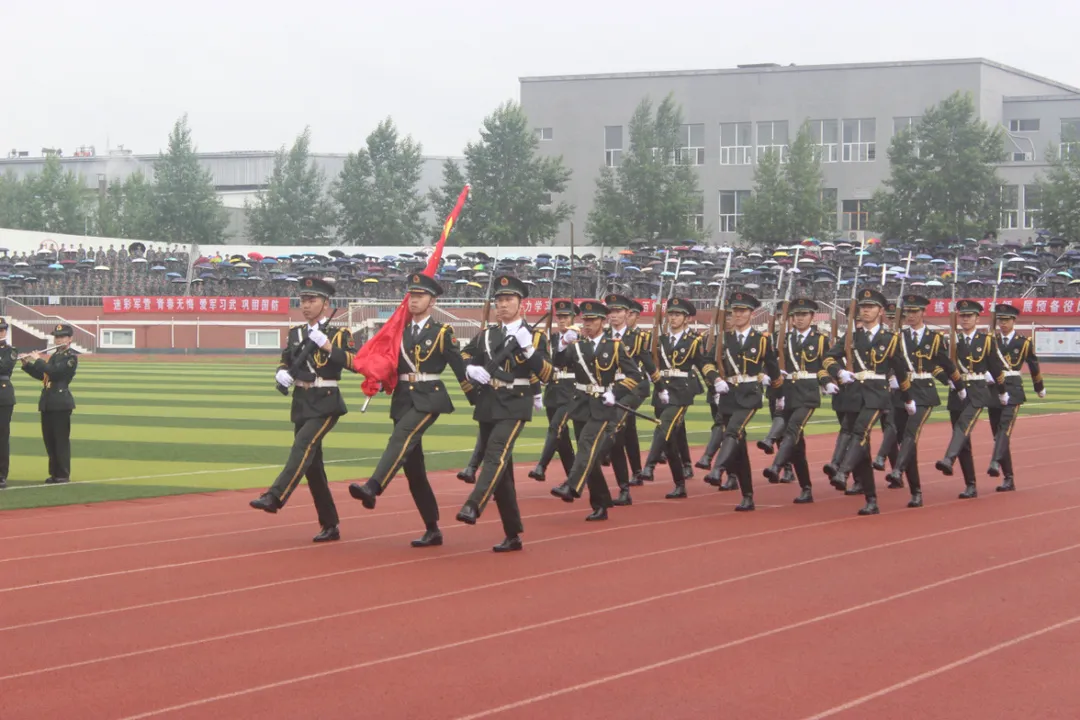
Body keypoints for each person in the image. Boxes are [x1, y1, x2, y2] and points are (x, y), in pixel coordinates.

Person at [348, 273, 470, 547]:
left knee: (400, 437)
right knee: (414, 469)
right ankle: (432, 528)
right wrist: (378, 379)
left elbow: (459, 367)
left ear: (432, 301)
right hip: (403, 398)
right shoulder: (398, 331)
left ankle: (373, 486)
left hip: (429, 397)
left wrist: (478, 398)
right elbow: (391, 364)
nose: (414, 300)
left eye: (420, 296)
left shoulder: (442, 332)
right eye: (412, 296)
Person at [250, 277, 357, 543]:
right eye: (303, 300)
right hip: (301, 400)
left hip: (326, 400)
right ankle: (330, 524)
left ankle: (275, 496)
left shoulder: (339, 333)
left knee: (302, 446)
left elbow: (356, 363)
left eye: (312, 300)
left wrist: (328, 346)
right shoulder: (296, 333)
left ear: (326, 303)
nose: (306, 305)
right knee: (313, 468)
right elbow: (286, 360)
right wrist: (282, 374)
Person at [456, 275, 554, 552]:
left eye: (509, 300)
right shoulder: (488, 334)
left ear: (521, 304)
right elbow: (464, 355)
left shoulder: (535, 336)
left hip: (516, 402)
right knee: (503, 473)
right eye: (499, 300)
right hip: (489, 402)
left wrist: (528, 348)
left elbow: (546, 373)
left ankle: (474, 504)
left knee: (495, 453)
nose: (503, 305)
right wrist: (470, 369)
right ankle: (513, 533)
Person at [549, 300, 645, 519]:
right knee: (589, 455)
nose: (588, 324)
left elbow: (635, 376)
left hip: (603, 405)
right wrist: (563, 343)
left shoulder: (614, 345)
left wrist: (616, 392)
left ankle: (571, 484)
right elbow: (559, 362)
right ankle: (600, 503)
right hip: (581, 403)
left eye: (592, 320)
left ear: (603, 321)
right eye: (585, 320)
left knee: (586, 444)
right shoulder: (577, 345)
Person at [823, 288, 915, 516]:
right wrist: (839, 371)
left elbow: (901, 370)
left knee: (860, 432)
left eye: (870, 307)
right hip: (854, 392)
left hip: (878, 394)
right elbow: (828, 358)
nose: (865, 311)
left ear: (881, 311)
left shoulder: (890, 338)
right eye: (863, 307)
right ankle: (871, 499)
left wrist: (907, 398)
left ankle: (843, 471)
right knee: (861, 448)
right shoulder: (852, 337)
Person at [884, 294, 966, 508]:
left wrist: (959, 385)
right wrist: (890, 378)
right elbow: (888, 363)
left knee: (912, 433)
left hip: (924, 392)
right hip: (901, 391)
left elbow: (945, 364)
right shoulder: (897, 336)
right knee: (903, 440)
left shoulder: (934, 337)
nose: (911, 315)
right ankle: (916, 491)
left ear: (923, 313)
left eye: (915, 311)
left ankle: (897, 470)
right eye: (908, 311)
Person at [637, 297, 721, 499]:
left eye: (677, 315)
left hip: (681, 392)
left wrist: (714, 386)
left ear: (686, 318)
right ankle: (680, 484)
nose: (673, 318)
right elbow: (647, 363)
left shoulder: (693, 341)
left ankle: (648, 466)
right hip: (662, 390)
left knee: (663, 426)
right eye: (671, 314)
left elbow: (703, 365)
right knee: (670, 441)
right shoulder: (659, 339)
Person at [706, 291, 781, 511]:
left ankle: (717, 469)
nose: (737, 315)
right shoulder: (723, 339)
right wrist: (715, 380)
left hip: (750, 395)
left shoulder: (762, 340)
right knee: (738, 448)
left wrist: (779, 393)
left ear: (751, 313)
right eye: (734, 311)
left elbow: (773, 369)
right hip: (728, 394)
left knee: (732, 431)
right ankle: (747, 495)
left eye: (742, 311)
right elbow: (707, 363)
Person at [933, 300, 1007, 498]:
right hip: (956, 391)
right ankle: (970, 484)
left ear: (977, 318)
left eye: (969, 316)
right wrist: (946, 380)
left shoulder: (986, 341)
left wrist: (1001, 391)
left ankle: (948, 458)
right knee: (964, 440)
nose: (965, 319)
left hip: (977, 391)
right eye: (962, 316)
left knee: (963, 426)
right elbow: (936, 364)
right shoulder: (950, 341)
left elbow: (995, 368)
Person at [761, 299, 831, 504]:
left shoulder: (820, 340)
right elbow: (768, 361)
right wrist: (769, 374)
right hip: (787, 392)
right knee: (797, 445)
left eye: (804, 315)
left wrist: (826, 382)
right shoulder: (781, 338)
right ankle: (806, 488)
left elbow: (825, 364)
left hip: (808, 394)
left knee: (792, 428)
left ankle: (776, 466)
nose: (799, 319)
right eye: (796, 315)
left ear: (812, 317)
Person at [600, 293, 658, 505]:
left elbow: (648, 364)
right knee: (622, 438)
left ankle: (593, 460)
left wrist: (660, 387)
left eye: (618, 311)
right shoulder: (603, 336)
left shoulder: (637, 338)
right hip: (608, 390)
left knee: (615, 426)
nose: (614, 315)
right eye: (611, 312)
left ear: (627, 314)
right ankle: (625, 487)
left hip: (631, 389)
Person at [986, 303, 1043, 491]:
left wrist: (1039, 387)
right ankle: (1008, 477)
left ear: (1013, 321)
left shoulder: (1023, 342)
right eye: (1000, 320)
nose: (1003, 324)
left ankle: (995, 462)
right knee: (998, 435)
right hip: (994, 389)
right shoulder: (991, 340)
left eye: (1006, 320)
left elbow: (1033, 364)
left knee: (1005, 428)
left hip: (1014, 390)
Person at [20, 323, 78, 484]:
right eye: (57, 337)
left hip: (61, 402)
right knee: (50, 440)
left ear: (70, 339)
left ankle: (63, 474)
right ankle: (54, 473)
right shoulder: (55, 356)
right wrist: (27, 365)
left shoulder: (70, 357)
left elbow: (56, 373)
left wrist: (38, 359)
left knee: (60, 440)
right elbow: (44, 376)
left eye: (62, 337)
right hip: (48, 401)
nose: (58, 339)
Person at [528, 300, 579, 483]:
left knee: (555, 427)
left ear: (574, 318)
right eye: (560, 317)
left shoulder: (579, 338)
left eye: (566, 317)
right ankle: (573, 478)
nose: (562, 320)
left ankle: (542, 466)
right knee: (561, 437)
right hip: (553, 391)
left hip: (571, 392)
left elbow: (564, 359)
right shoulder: (553, 338)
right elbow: (546, 360)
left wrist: (568, 343)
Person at [0, 318, 16, 489]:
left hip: (2, 396)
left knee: (1, 437)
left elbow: (4, 367)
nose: (0, 333)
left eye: (2, 330)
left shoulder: (10, 350)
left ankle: (1, 474)